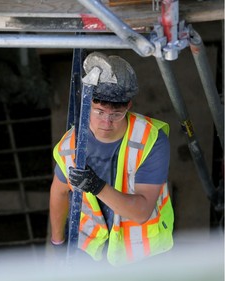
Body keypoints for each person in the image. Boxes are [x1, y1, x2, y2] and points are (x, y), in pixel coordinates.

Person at [49, 52, 174, 266]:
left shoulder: (151, 141)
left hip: (142, 254)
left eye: (115, 114)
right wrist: (57, 242)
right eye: (99, 112)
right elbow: (59, 192)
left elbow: (141, 212)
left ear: (128, 106)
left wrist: (96, 186)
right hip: (91, 250)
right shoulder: (70, 146)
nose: (106, 122)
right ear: (87, 105)